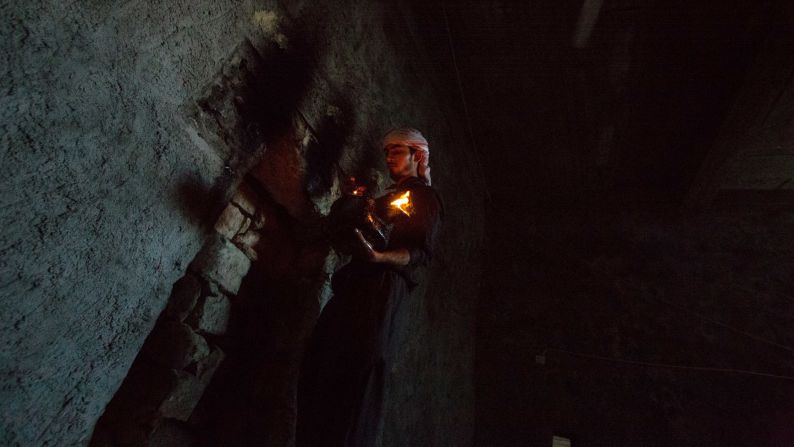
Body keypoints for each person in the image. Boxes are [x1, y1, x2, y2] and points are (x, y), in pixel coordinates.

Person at [296, 128, 442, 447]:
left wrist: (379, 257)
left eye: (396, 151)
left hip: (382, 295)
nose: (388, 157)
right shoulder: (388, 197)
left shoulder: (425, 198)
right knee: (320, 370)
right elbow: (354, 226)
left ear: (417, 155)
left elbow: (418, 253)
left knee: (355, 382)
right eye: (386, 152)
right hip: (354, 288)